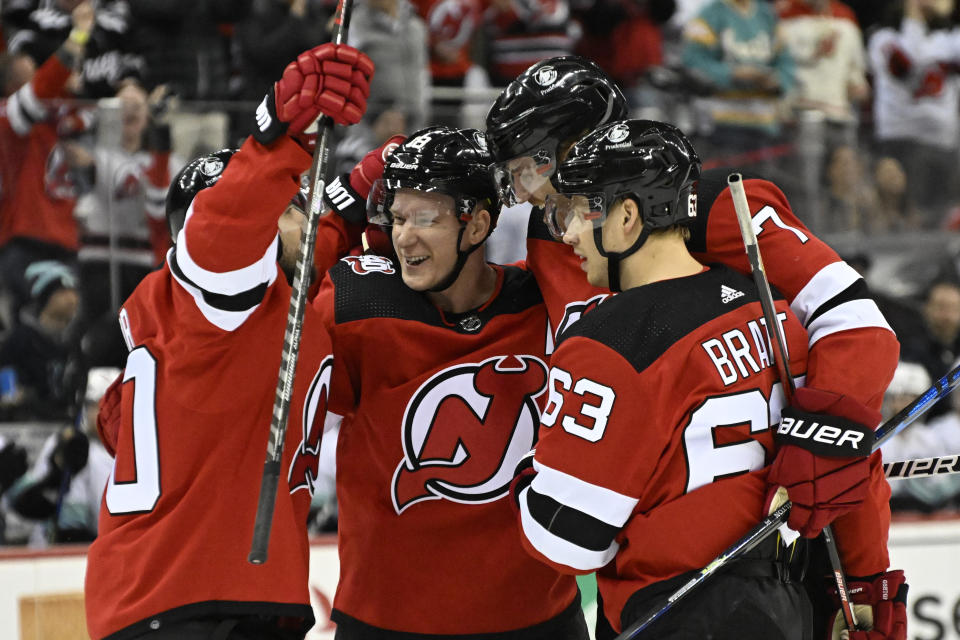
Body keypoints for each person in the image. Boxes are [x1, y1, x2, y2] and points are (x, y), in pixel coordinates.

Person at [486, 58, 901, 639]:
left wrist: (823, 435)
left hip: (752, 553)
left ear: (583, 144)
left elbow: (857, 327)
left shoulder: (702, 207)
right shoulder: (552, 235)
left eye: (534, 163)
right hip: (632, 566)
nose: (524, 190)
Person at [83, 41, 373, 640]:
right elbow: (228, 230)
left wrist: (361, 187)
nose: (306, 213)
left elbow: (310, 247)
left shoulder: (231, 315)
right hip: (192, 599)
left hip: (200, 596)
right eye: (291, 204)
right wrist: (276, 133)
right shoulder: (214, 287)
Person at [512, 117, 817, 639]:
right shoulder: (770, 310)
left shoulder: (606, 342)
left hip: (679, 614)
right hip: (787, 604)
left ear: (628, 217)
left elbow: (565, 541)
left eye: (584, 211)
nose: (569, 233)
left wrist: (529, 471)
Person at [312, 126, 589, 638]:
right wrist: (335, 211)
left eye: (425, 218)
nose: (404, 236)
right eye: (396, 218)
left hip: (537, 620)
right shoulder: (356, 304)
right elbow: (266, 331)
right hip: (385, 622)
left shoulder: (548, 302)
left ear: (479, 224)